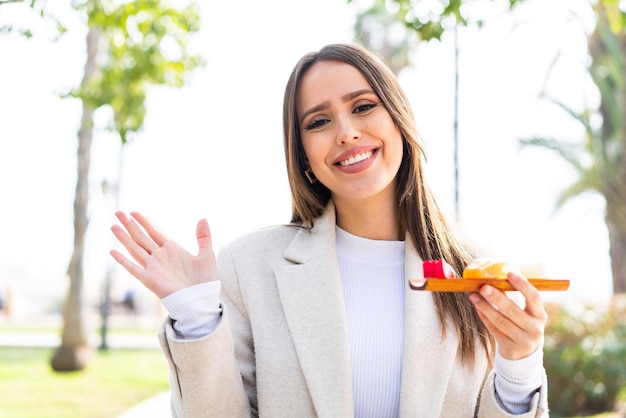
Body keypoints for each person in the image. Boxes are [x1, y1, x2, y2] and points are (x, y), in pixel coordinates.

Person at [110, 43, 549, 417]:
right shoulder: (249, 268)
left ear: (399, 119)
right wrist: (196, 317)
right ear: (302, 154)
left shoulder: (474, 274)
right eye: (318, 122)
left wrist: (518, 369)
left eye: (362, 107)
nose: (346, 132)